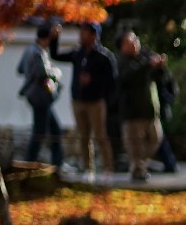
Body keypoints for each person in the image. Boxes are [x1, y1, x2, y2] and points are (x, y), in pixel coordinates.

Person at [56, 21, 117, 181]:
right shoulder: (78, 53)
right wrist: (54, 38)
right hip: (78, 100)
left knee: (100, 135)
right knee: (83, 136)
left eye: (84, 32)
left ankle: (108, 168)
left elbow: (112, 81)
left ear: (93, 35)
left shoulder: (104, 57)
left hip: (96, 101)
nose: (80, 36)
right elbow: (55, 55)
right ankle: (88, 169)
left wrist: (93, 81)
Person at [114, 30, 168, 181]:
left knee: (156, 139)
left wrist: (160, 67)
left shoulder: (145, 56)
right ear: (122, 46)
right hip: (132, 112)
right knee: (134, 145)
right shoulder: (121, 61)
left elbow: (160, 78)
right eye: (130, 41)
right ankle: (137, 170)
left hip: (150, 110)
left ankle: (138, 165)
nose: (134, 43)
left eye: (135, 40)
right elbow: (128, 77)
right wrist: (148, 65)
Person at [17, 22, 64, 169]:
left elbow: (20, 69)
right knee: (41, 132)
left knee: (51, 130)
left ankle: (55, 163)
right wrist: (56, 73)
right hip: (40, 97)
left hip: (35, 96)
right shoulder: (37, 52)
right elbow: (43, 73)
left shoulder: (28, 50)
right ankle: (30, 163)